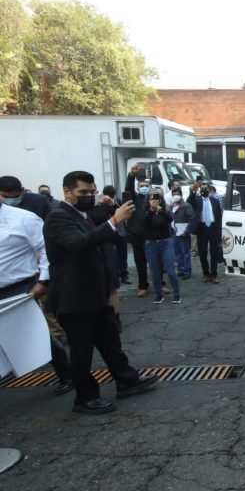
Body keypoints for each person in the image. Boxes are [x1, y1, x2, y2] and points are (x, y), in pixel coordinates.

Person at [43, 170, 158, 414]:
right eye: (82, 192)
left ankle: (126, 379)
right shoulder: (58, 217)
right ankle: (85, 397)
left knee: (110, 341)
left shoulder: (82, 215)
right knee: (82, 351)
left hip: (95, 295)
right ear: (67, 192)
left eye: (91, 192)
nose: (88, 197)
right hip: (74, 298)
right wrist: (115, 221)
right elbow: (79, 244)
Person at [0, 198, 73, 396]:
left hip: (20, 288)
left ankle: (66, 374)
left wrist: (43, 280)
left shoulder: (23, 218)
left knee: (35, 334)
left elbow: (45, 249)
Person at [87, 189, 125, 331]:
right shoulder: (79, 211)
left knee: (111, 284)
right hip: (89, 246)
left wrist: (112, 204)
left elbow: (119, 215)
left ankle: (116, 318)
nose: (90, 194)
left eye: (92, 191)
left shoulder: (103, 206)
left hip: (106, 246)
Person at [142, 190, 181, 304]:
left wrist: (161, 210)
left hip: (166, 242)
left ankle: (177, 293)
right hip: (151, 243)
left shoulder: (165, 208)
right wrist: (151, 210)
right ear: (148, 200)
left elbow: (170, 219)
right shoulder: (146, 210)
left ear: (160, 200)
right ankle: (158, 294)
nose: (154, 201)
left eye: (156, 199)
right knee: (154, 271)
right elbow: (144, 223)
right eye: (151, 199)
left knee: (170, 271)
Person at [124, 167, 152, 296]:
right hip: (137, 235)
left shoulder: (154, 198)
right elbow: (128, 189)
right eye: (142, 185)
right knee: (140, 262)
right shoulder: (135, 198)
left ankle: (160, 283)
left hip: (152, 235)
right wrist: (131, 175)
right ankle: (143, 286)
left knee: (156, 262)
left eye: (146, 185)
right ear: (138, 187)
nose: (144, 187)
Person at [187, 181, 222, 284]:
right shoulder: (196, 200)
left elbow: (219, 217)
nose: (204, 190)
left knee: (214, 253)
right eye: (202, 189)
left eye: (206, 188)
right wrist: (192, 190)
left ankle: (214, 275)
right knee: (202, 253)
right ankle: (206, 274)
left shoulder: (215, 201)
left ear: (209, 189)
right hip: (201, 228)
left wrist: (219, 231)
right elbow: (189, 201)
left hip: (213, 228)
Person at [170, 186, 195, 280]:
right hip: (174, 232)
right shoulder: (172, 206)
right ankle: (180, 269)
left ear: (181, 195)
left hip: (183, 232)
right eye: (174, 194)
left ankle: (187, 270)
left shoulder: (186, 206)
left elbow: (192, 219)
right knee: (177, 252)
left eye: (177, 194)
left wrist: (187, 230)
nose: (175, 196)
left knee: (185, 252)